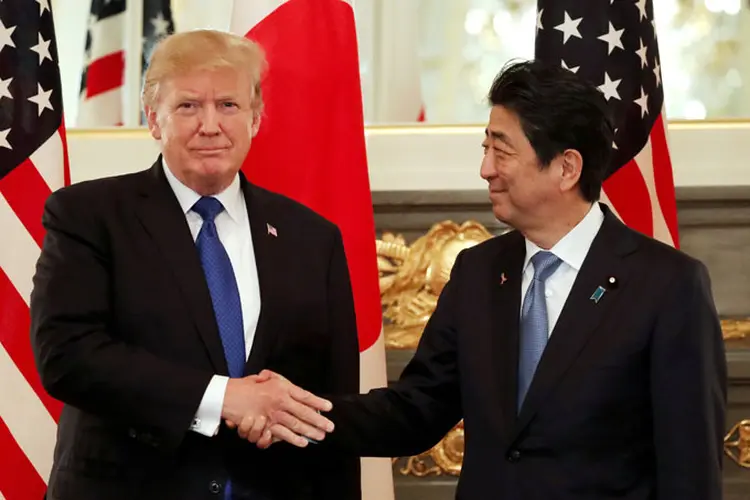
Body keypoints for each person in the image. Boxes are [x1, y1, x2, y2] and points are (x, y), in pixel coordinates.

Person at [256, 60, 728, 499]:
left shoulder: (667, 286)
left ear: (566, 168)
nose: (485, 170)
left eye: (501, 151)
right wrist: (291, 412)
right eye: (486, 148)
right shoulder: (478, 272)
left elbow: (689, 467)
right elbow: (415, 411)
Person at [29, 29, 361, 500]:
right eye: (188, 106)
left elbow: (331, 408)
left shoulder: (313, 237)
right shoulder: (88, 215)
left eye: (228, 105)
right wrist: (225, 398)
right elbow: (66, 356)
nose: (211, 125)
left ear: (256, 118)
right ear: (153, 120)